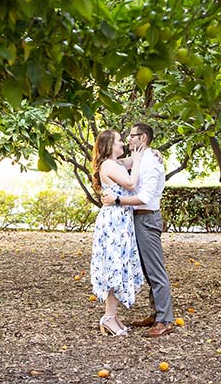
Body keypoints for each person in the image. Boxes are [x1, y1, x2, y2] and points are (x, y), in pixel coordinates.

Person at [101, 122, 175, 337]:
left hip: (147, 219)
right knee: (147, 270)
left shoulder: (151, 162)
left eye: (132, 136)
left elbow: (144, 198)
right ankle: (156, 314)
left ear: (142, 138)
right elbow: (115, 163)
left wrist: (117, 199)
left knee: (156, 271)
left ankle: (165, 321)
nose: (128, 139)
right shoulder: (140, 158)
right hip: (135, 219)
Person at [89, 129, 145, 336]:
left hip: (119, 220)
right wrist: (138, 160)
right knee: (113, 268)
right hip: (114, 221)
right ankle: (108, 317)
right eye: (119, 141)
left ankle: (112, 315)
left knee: (117, 267)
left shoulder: (116, 163)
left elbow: (134, 160)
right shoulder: (109, 165)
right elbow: (131, 183)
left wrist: (149, 152)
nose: (123, 144)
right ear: (109, 145)